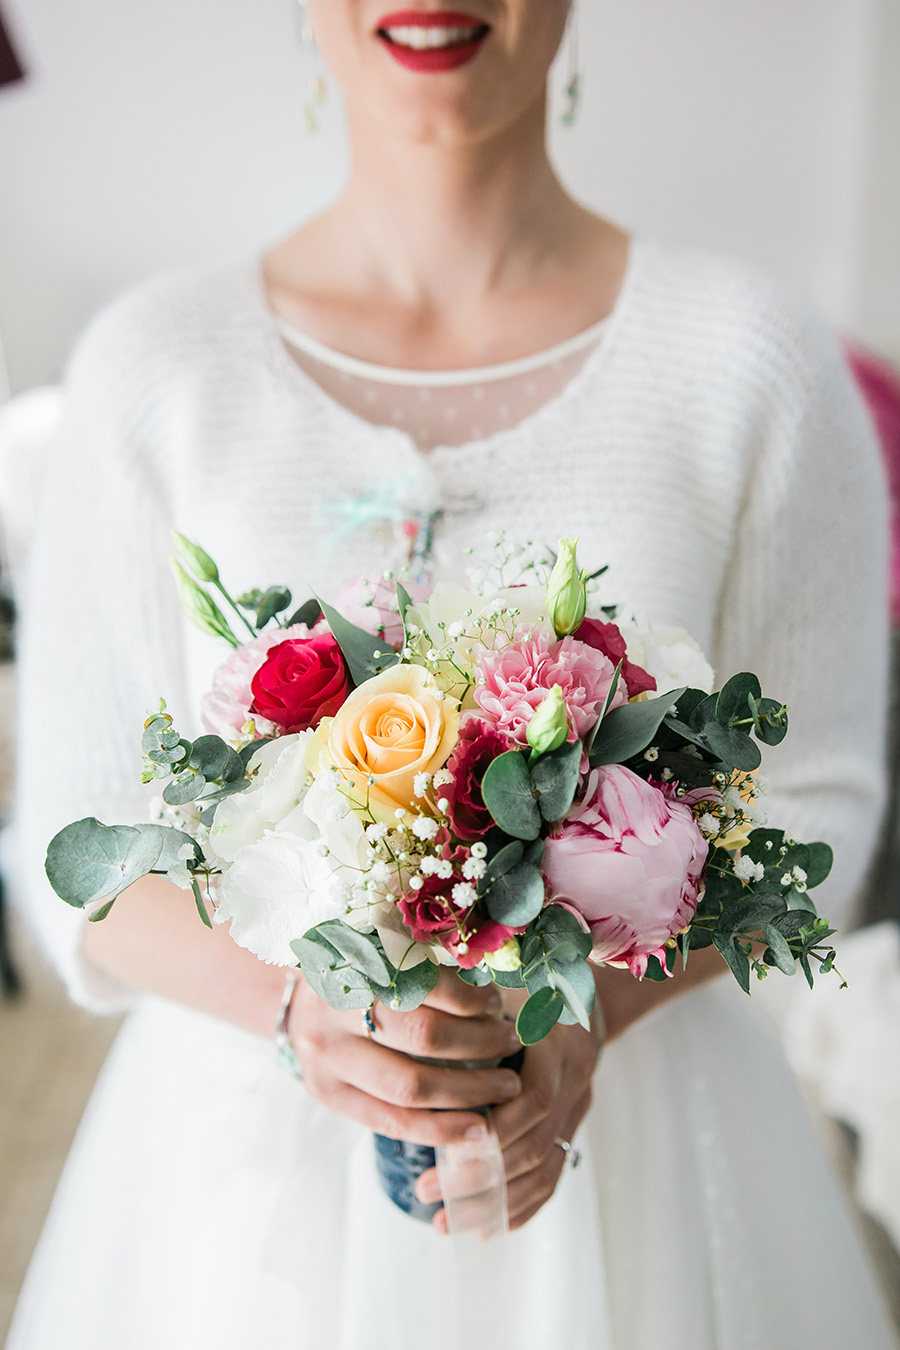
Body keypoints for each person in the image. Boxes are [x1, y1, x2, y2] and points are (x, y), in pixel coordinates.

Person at [8, 2, 900, 1346]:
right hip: (236, 1200)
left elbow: (818, 801)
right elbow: (68, 853)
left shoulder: (753, 360)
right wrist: (303, 1011)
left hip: (640, 1149)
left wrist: (582, 1017)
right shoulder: (153, 369)